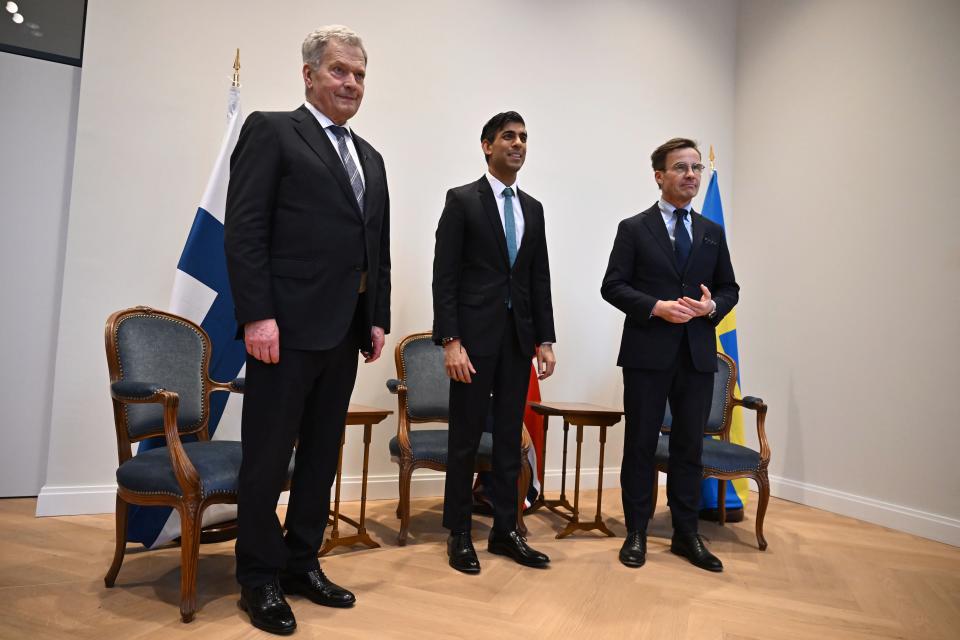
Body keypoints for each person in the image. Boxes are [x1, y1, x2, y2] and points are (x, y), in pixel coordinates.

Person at [224, 25, 390, 635]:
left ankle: (302, 562)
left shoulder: (370, 157)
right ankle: (258, 578)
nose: (351, 83)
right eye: (340, 71)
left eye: (360, 74)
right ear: (309, 74)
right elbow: (243, 231)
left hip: (343, 332)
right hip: (283, 329)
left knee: (321, 458)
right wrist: (257, 314)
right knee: (267, 459)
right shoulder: (272, 130)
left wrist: (376, 317)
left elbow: (378, 246)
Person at [600, 137, 738, 573]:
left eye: (696, 168)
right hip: (647, 353)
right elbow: (613, 286)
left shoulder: (712, 233)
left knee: (688, 448)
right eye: (681, 168)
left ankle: (686, 534)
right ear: (659, 176)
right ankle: (637, 532)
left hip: (696, 355)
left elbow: (729, 288)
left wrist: (711, 307)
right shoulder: (634, 228)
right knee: (640, 444)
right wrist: (655, 307)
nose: (691, 175)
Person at [432, 111, 556, 574]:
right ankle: (460, 534)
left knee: (509, 439)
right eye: (509, 136)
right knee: (465, 439)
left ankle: (506, 530)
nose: (518, 144)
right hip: (472, 342)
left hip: (518, 341)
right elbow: (444, 277)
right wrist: (450, 341)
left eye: (524, 137)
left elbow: (537, 277)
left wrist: (545, 338)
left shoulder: (534, 208)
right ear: (487, 145)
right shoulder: (462, 200)